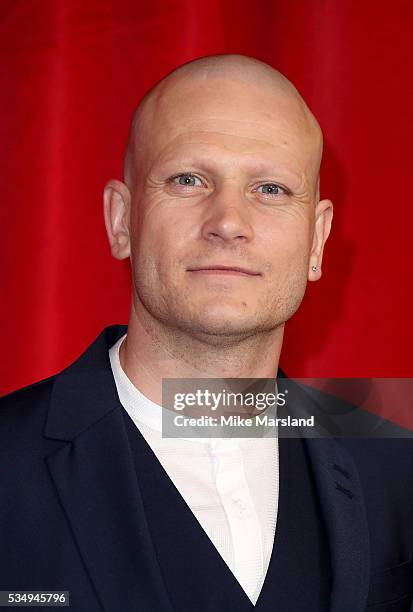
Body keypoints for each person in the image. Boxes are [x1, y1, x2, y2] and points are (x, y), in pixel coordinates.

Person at [1, 54, 412, 612]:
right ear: (121, 220)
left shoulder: (394, 467)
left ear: (317, 241)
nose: (228, 222)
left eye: (269, 189)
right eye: (188, 180)